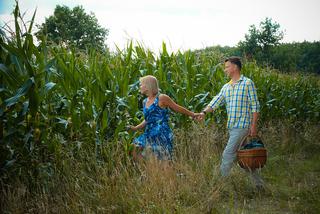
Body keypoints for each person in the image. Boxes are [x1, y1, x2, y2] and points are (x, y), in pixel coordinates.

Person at [196, 56, 264, 188]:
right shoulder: (226, 87)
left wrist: (254, 126)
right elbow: (216, 101)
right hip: (232, 127)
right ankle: (259, 186)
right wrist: (204, 112)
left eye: (227, 67)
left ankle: (220, 186)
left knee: (228, 154)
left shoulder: (247, 83)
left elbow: (255, 106)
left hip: (242, 126)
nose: (225, 69)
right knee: (245, 156)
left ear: (235, 67)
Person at [129, 75, 199, 160]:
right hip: (149, 132)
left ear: (148, 86)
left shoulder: (161, 98)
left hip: (161, 132)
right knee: (135, 148)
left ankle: (165, 172)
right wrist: (136, 128)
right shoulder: (145, 101)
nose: (139, 87)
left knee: (163, 159)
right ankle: (149, 170)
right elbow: (148, 119)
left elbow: (177, 108)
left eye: (141, 84)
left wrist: (192, 114)